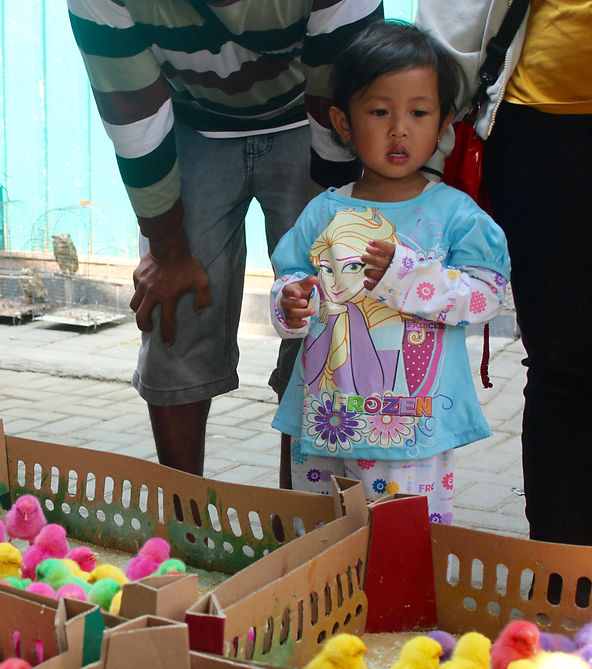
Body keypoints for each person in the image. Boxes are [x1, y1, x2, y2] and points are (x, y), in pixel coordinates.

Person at [67, 0, 383, 478]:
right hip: (189, 122)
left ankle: (301, 516)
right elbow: (132, 113)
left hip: (312, 119)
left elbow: (341, 98)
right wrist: (167, 250)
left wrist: (328, 244)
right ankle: (185, 524)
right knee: (172, 306)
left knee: (326, 311)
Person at [269, 20, 510, 522]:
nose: (400, 129)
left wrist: (406, 277)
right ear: (342, 123)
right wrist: (291, 302)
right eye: (379, 111)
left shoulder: (457, 215)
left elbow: (488, 297)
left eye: (419, 113)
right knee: (318, 541)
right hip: (324, 421)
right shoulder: (323, 212)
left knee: (400, 549)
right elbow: (291, 277)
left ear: (444, 123)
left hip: (412, 432)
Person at [418, 1, 591, 544]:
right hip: (544, 134)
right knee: (563, 361)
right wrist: (425, 167)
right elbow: (452, 26)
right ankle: (565, 582)